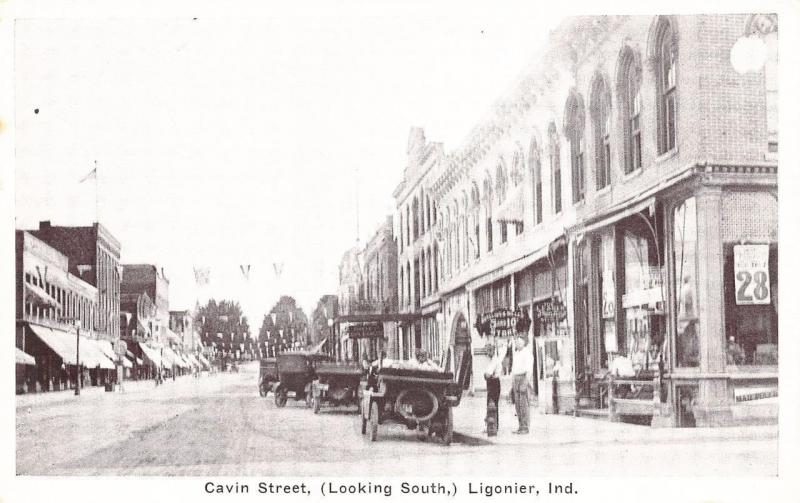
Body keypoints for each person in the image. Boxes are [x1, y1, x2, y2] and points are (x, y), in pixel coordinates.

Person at [511, 336, 533, 434]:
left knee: (523, 404)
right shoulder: (516, 353)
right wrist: (512, 383)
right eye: (516, 342)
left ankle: (525, 427)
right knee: (517, 405)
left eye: (519, 342)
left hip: (523, 377)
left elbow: (529, 370)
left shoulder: (527, 353)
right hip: (516, 378)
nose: (517, 344)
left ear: (524, 342)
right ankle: (520, 426)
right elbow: (514, 369)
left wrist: (525, 383)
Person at [483, 343, 503, 433]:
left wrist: (486, 375)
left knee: (492, 404)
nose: (487, 353)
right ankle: (492, 425)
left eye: (488, 351)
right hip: (492, 383)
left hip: (494, 382)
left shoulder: (495, 360)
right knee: (490, 404)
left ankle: (493, 426)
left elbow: (488, 374)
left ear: (492, 351)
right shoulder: (491, 360)